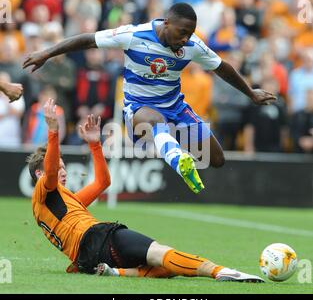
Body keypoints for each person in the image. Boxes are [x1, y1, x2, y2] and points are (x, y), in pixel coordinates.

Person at [23, 3, 276, 194]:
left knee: (217, 160)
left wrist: (250, 92)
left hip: (176, 107)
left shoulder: (192, 46)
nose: (185, 38)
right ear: (166, 23)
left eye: (190, 33)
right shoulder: (134, 35)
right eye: (182, 31)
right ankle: (178, 159)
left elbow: (222, 67)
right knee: (154, 121)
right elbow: (88, 40)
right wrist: (46, 52)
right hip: (139, 108)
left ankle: (177, 150)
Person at [26, 98, 264, 283]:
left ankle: (116, 273)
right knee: (162, 253)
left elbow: (102, 183)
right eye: (60, 168)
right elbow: (49, 170)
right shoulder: (42, 190)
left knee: (165, 269)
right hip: (96, 238)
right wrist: (53, 131)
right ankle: (220, 271)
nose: (63, 172)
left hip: (87, 259)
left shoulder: (65, 203)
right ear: (39, 174)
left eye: (64, 167)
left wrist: (95, 144)